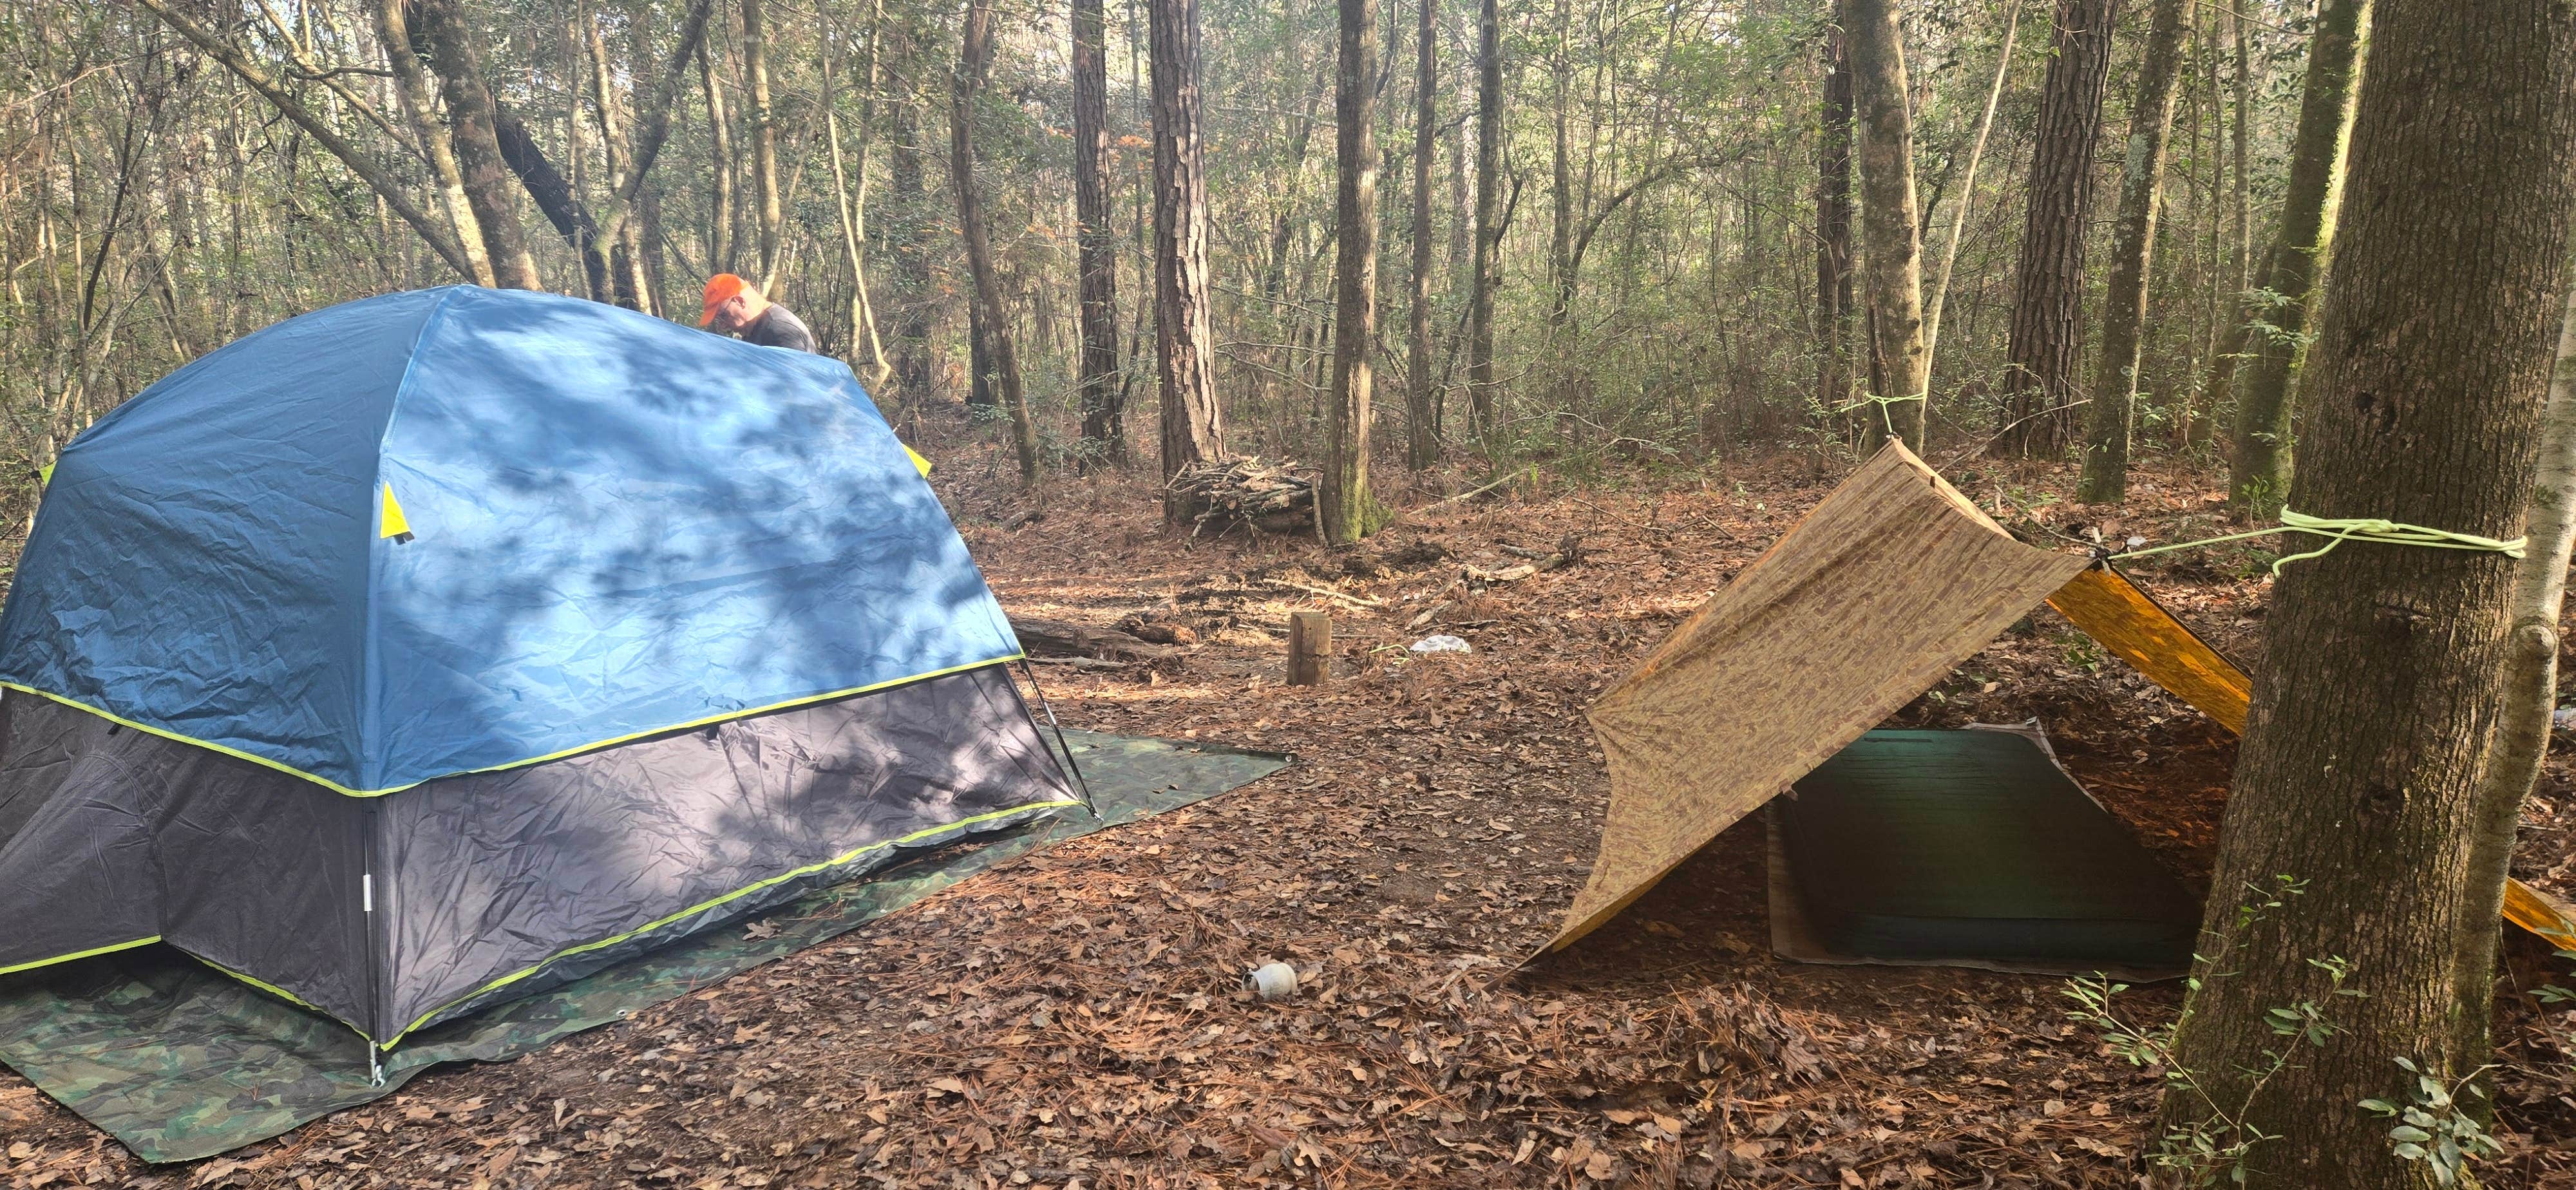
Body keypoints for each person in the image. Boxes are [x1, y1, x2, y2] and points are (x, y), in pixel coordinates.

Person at [699, 274, 815, 352]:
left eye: (723, 316)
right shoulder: (752, 330)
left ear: (740, 301)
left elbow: (796, 384)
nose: (723, 326)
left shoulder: (778, 329)